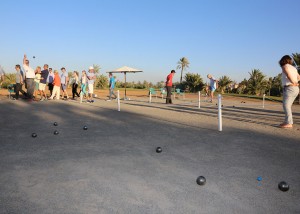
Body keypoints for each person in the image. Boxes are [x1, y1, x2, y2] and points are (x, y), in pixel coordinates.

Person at [279, 55, 300, 128]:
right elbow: (299, 77)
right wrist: (296, 82)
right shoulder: (294, 68)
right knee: (288, 106)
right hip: (296, 88)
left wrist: (293, 82)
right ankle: (286, 121)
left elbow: (288, 75)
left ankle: (289, 123)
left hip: (289, 88)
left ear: (283, 60)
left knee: (286, 106)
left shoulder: (284, 66)